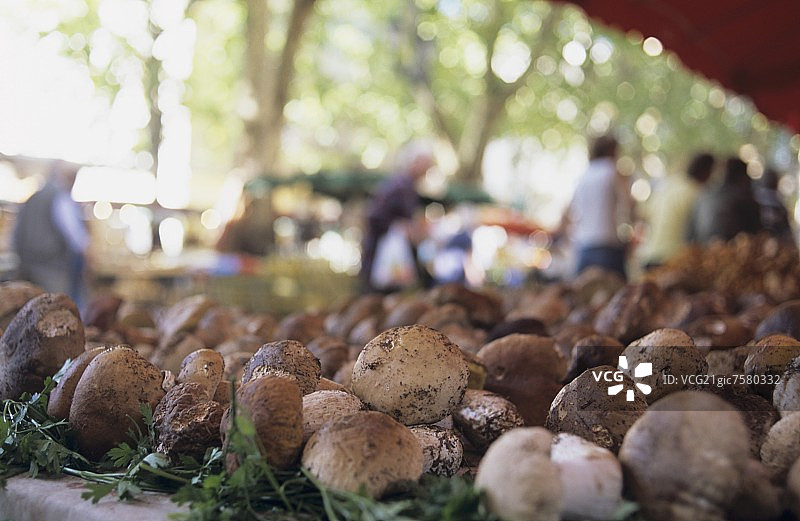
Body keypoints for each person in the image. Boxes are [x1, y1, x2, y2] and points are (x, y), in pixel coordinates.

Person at [13, 160, 89, 306]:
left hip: (27, 268)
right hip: (53, 272)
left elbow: (15, 234)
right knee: (54, 314)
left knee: (26, 316)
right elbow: (77, 239)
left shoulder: (33, 197)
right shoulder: (60, 197)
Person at [361, 140, 434, 292]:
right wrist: (400, 227)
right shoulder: (396, 186)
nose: (428, 169)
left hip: (390, 260)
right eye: (426, 164)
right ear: (414, 162)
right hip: (379, 259)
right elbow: (374, 217)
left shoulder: (407, 187)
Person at [560, 134, 633, 279]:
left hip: (584, 249)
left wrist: (569, 238)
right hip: (608, 247)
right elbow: (628, 205)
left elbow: (566, 215)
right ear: (612, 150)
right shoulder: (612, 170)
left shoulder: (584, 175)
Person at [641, 153, 714, 268]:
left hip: (649, 256)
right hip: (674, 260)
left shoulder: (669, 184)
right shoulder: (697, 193)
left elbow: (646, 216)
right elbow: (703, 230)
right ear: (707, 172)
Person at [686, 157, 763, 244]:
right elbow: (756, 238)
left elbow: (689, 236)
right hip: (732, 253)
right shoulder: (746, 199)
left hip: (700, 253)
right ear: (743, 176)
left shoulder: (703, 196)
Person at [754, 167, 794, 244]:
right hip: (777, 242)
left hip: (759, 242)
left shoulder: (755, 199)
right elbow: (787, 233)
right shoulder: (779, 203)